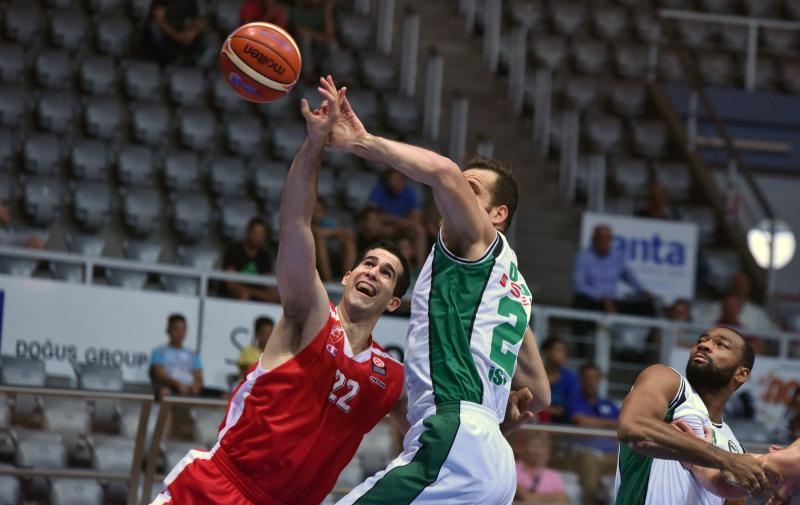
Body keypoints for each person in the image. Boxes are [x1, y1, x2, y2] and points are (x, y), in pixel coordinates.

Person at [152, 76, 414, 505]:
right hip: (220, 489)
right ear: (347, 276)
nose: (373, 272)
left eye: (386, 273)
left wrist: (501, 429)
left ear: (394, 301)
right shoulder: (311, 313)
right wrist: (315, 144)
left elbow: (434, 434)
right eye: (368, 263)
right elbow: (295, 222)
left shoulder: (392, 379)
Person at [326, 76, 551, 504]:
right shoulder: (512, 287)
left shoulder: (473, 243)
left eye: (473, 189)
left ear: (497, 214)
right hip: (495, 459)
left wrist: (362, 141)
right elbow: (540, 394)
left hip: (455, 433)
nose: (458, 193)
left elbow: (443, 172)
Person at [614, 326, 800, 504]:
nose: (704, 345)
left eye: (721, 345)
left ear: (741, 374)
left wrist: (780, 499)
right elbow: (632, 427)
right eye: (701, 341)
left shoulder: (734, 447)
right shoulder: (670, 382)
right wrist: (724, 459)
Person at [572, 224, 654, 317]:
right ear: (594, 239)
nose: (606, 242)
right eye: (602, 238)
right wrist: (601, 297)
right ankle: (582, 331)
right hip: (593, 301)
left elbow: (629, 276)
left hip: (613, 302)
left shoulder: (617, 256)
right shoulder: (583, 257)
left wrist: (643, 290)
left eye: (609, 238)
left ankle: (653, 331)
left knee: (648, 305)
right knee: (581, 301)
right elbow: (579, 286)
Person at [567, 363, 619, 504]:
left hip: (610, 456)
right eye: (587, 377)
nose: (591, 381)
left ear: (599, 380)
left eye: (594, 378)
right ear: (581, 380)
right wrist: (609, 424)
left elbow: (623, 423)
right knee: (590, 463)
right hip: (583, 453)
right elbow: (582, 422)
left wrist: (596, 422)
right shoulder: (574, 401)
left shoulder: (608, 403)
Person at [359, 170, 427, 268]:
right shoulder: (380, 190)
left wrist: (392, 221)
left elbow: (415, 219)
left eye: (399, 180)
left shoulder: (409, 192)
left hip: (399, 228)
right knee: (371, 224)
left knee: (419, 229)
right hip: (381, 227)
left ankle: (421, 267)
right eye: (393, 179)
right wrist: (390, 223)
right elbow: (372, 214)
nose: (396, 183)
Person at [221, 216, 279, 303]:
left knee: (278, 298)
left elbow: (268, 286)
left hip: (256, 295)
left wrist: (252, 292)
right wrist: (245, 292)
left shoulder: (265, 256)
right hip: (235, 295)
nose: (258, 237)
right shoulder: (234, 251)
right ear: (248, 232)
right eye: (255, 233)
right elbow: (230, 284)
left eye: (261, 234)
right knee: (243, 295)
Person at [150, 314, 202, 401]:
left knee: (223, 397)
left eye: (183, 330)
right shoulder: (159, 352)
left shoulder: (193, 354)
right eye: (176, 329)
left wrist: (196, 385)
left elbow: (198, 376)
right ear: (168, 331)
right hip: (171, 387)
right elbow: (160, 375)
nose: (180, 333)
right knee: (164, 392)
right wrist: (177, 384)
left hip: (189, 389)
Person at [511, 430, 570, 504]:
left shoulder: (553, 475)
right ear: (525, 448)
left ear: (547, 450)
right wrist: (551, 498)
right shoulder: (513, 469)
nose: (536, 450)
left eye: (540, 446)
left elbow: (563, 499)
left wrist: (533, 497)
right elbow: (525, 498)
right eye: (533, 445)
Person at [147, 0, 208, 65]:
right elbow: (159, 20)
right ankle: (165, 58)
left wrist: (192, 33)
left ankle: (190, 58)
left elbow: (199, 20)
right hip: (166, 32)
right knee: (154, 28)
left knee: (207, 38)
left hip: (182, 31)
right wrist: (177, 36)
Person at [311, 197, 358, 282]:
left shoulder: (328, 222)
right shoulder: (303, 222)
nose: (315, 213)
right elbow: (317, 233)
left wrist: (338, 233)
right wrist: (335, 232)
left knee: (348, 243)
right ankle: (328, 281)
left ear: (324, 212)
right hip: (311, 256)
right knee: (319, 241)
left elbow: (346, 233)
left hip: (332, 252)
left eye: (318, 210)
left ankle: (347, 281)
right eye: (312, 209)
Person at [541, 336, 580, 423]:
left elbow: (570, 408)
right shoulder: (535, 374)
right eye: (559, 351)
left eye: (564, 352)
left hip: (562, 426)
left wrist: (546, 411)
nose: (563, 355)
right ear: (546, 352)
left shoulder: (571, 379)